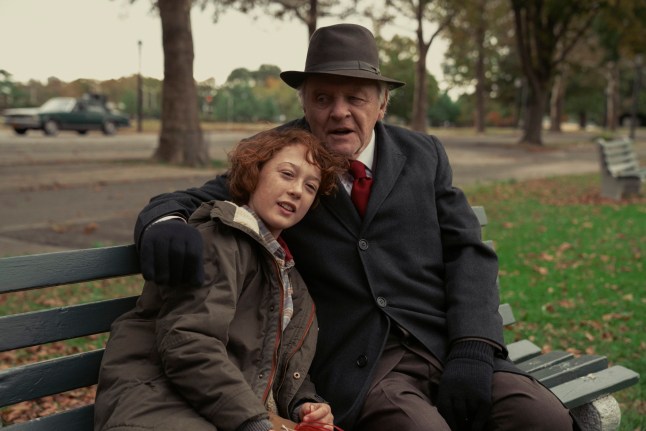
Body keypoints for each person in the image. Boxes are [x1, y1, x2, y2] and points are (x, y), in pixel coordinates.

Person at [132, 23, 576, 431]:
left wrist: (473, 347)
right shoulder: (280, 159)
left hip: (442, 344)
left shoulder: (424, 154)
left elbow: (467, 251)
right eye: (323, 98)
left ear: (382, 103)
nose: (339, 112)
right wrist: (164, 221)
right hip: (360, 366)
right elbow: (191, 199)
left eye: (356, 98)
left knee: (544, 418)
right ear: (304, 102)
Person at [95, 128, 346, 431]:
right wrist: (253, 422)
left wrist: (303, 404)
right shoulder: (220, 240)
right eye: (287, 174)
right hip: (159, 404)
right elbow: (188, 344)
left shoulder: (288, 276)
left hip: (219, 410)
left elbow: (279, 361)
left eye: (310, 186)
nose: (297, 191)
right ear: (254, 173)